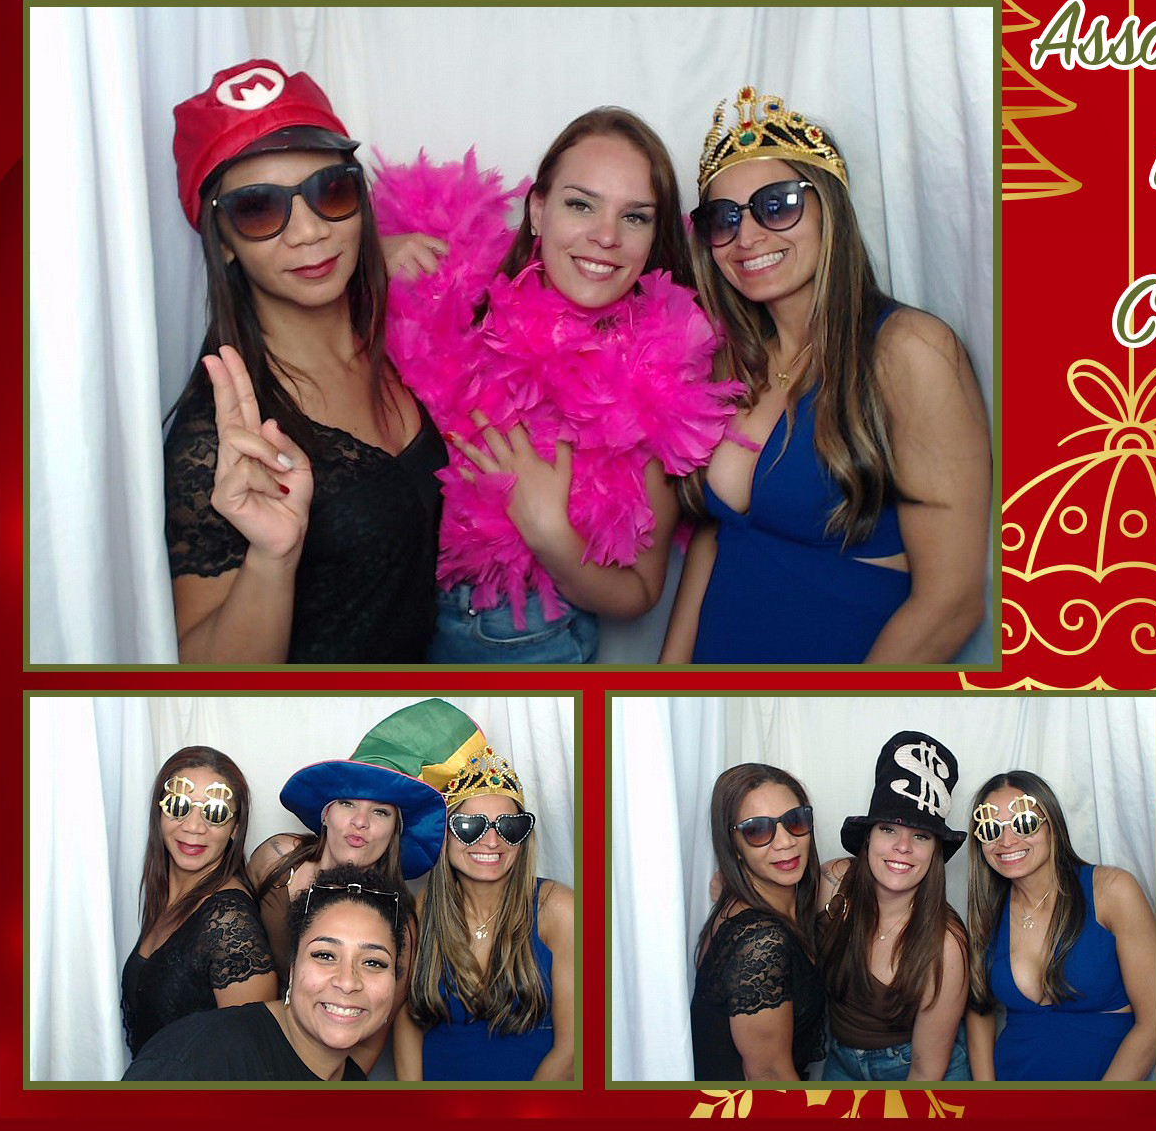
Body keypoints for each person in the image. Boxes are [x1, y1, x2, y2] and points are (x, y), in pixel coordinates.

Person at [374, 109, 738, 662]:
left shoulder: (658, 375)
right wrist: (367, 266)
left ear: (654, 236)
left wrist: (551, 535)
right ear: (538, 210)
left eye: (634, 216)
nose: (607, 236)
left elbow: (640, 592)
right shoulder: (459, 288)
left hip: (515, 640)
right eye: (581, 204)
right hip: (382, 616)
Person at [661, 85, 991, 664]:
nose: (748, 237)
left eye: (778, 204)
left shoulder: (910, 351)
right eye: (723, 218)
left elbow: (951, 604)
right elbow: (718, 536)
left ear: (828, 208)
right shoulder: (731, 362)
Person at [163, 58, 446, 663]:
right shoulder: (220, 437)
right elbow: (202, 671)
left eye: (331, 191)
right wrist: (273, 557)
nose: (309, 231)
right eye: (259, 209)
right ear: (224, 242)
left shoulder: (407, 340)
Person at [248, 698, 463, 1072]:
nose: (360, 822)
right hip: (242, 1043)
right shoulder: (276, 860)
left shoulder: (399, 924)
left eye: (379, 811)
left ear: (395, 830)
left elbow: (369, 1042)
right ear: (326, 813)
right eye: (347, 804)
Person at [125, 864, 406, 1081]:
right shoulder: (198, 1061)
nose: (347, 981)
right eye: (324, 955)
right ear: (293, 968)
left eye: (373, 963)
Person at [394, 744, 575, 1079]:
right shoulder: (422, 909)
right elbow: (408, 1021)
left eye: (509, 827)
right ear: (445, 835)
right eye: (469, 826)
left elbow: (573, 1049)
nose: (492, 841)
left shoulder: (559, 910)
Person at [963, 771, 1155, 1081]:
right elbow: (979, 1006)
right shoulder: (988, 912)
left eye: (1024, 823)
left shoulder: (1112, 890)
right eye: (990, 829)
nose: (1006, 841)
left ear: (1052, 825)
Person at [818, 732, 970, 1081]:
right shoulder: (834, 883)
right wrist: (736, 881)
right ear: (868, 837)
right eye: (889, 829)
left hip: (914, 1067)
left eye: (920, 835)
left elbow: (926, 1071)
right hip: (840, 1061)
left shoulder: (946, 944)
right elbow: (773, 895)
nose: (903, 846)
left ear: (935, 851)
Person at [121, 746, 277, 1057]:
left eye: (215, 813)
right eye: (179, 806)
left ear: (234, 828)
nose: (193, 827)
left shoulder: (230, 921)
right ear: (159, 814)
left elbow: (250, 1057)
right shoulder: (167, 896)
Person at [691, 763, 826, 1080]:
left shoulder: (763, 903)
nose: (785, 842)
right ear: (733, 846)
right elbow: (769, 1076)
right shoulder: (761, 940)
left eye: (795, 820)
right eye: (757, 830)